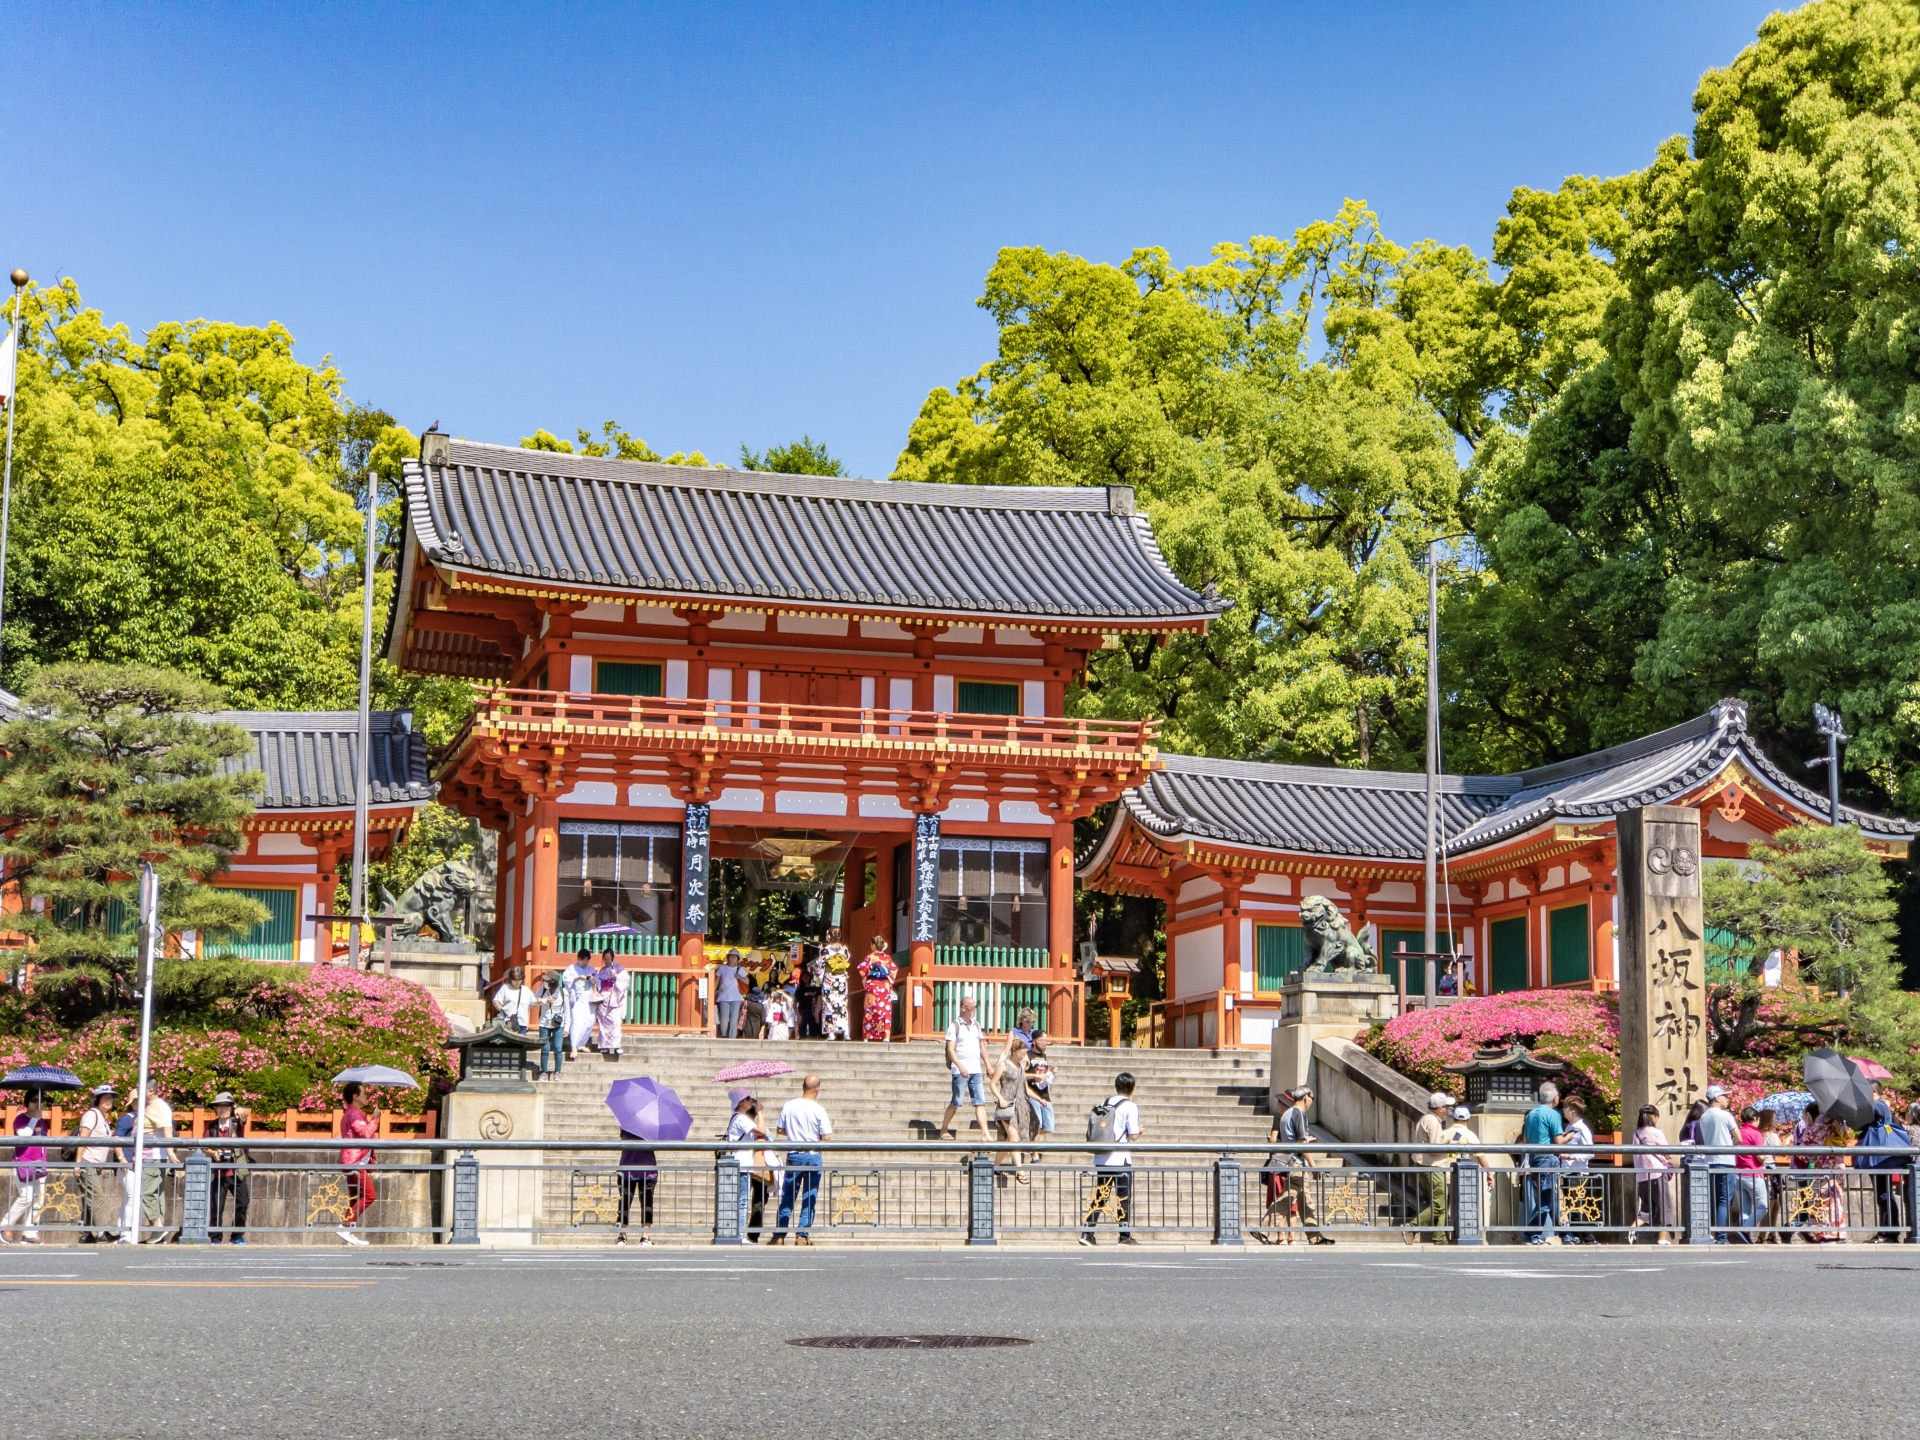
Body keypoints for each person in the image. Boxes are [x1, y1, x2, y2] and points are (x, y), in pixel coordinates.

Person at [1079, 1072, 1141, 1246]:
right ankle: (1124, 1235)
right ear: (1132, 1088)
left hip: (1102, 1158)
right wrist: (1139, 1131)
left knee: (1101, 1196)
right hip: (1121, 1158)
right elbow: (1134, 1135)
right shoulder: (1130, 1106)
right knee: (1123, 1197)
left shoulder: (1106, 1102)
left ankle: (1087, 1233)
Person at [770, 1074, 833, 1246]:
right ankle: (802, 1235)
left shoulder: (789, 1105)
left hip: (794, 1155)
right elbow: (826, 1137)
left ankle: (780, 1234)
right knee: (809, 1196)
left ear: (802, 1086)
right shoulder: (819, 1109)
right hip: (813, 1155)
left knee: (788, 1196)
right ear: (817, 1088)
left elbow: (780, 1130)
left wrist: (793, 1133)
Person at [1275, 1087, 1332, 1245]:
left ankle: (1315, 1237)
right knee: (1286, 1201)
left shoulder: (1287, 1114)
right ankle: (1262, 1227)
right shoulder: (1297, 1113)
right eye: (1312, 1098)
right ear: (1305, 1097)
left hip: (1292, 1162)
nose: (1312, 1102)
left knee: (1306, 1203)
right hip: (1297, 1163)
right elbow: (1301, 1143)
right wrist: (1313, 1165)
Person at [939, 995, 992, 1141]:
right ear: (964, 1008)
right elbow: (951, 1050)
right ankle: (944, 1128)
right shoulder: (955, 1026)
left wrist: (988, 1064)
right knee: (956, 1101)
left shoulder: (975, 1025)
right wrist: (960, 1066)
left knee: (980, 1101)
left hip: (976, 1069)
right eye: (973, 1007)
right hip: (960, 1070)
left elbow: (981, 1046)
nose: (975, 1009)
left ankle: (985, 1132)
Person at [1859, 1095, 1911, 1242]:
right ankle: (1888, 1231)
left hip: (1881, 1159)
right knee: (1883, 1195)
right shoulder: (1880, 1106)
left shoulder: (1880, 1105)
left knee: (1884, 1195)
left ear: (1873, 1091)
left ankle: (1889, 1232)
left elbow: (1872, 1108)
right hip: (1879, 1159)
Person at [1406, 1091, 1454, 1243]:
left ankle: (1439, 1236)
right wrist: (1448, 1142)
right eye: (1446, 1106)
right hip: (1432, 1166)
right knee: (1439, 1204)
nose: (1447, 1109)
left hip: (1426, 1165)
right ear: (1440, 1108)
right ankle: (1411, 1227)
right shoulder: (1433, 1122)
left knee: (1440, 1202)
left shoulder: (1427, 1119)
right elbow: (1434, 1149)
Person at [2, 1094, 51, 1244]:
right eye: (34, 1100)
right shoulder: (20, 1119)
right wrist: (35, 1118)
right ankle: (4, 1225)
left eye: (41, 1100)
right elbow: (24, 1135)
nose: (38, 1103)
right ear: (27, 1102)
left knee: (38, 1200)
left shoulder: (42, 1121)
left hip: (39, 1164)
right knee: (27, 1196)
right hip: (23, 1163)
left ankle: (30, 1233)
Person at [725, 1090, 772, 1242]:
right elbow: (761, 1130)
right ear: (740, 1102)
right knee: (742, 1200)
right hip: (741, 1163)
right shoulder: (740, 1118)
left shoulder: (739, 1118)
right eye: (747, 1099)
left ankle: (738, 1234)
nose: (750, 1101)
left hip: (741, 1163)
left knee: (741, 1199)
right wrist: (760, 1113)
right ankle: (739, 1235)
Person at [1520, 1082, 1564, 1245]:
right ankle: (1531, 1234)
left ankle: (1534, 1234)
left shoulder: (1531, 1114)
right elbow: (1559, 1141)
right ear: (1555, 1098)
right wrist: (1569, 1137)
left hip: (1534, 1159)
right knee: (1546, 1200)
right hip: (1548, 1158)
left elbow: (1525, 1140)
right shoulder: (1553, 1114)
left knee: (1543, 1198)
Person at [76, 1084, 120, 1244]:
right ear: (97, 1099)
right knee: (98, 1198)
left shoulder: (102, 1117)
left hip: (96, 1164)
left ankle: (86, 1234)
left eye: (111, 1098)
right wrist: (78, 1163)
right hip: (87, 1162)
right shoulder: (92, 1115)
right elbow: (82, 1139)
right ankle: (100, 1232)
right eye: (105, 1097)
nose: (109, 1101)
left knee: (90, 1199)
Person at [207, 1092, 253, 1245]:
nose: (223, 1109)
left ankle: (237, 1235)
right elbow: (203, 1145)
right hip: (219, 1170)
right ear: (215, 1108)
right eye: (219, 1106)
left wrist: (240, 1110)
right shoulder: (211, 1126)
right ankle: (215, 1237)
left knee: (243, 1201)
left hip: (237, 1170)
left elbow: (245, 1116)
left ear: (231, 1107)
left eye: (226, 1105)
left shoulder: (236, 1123)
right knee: (217, 1206)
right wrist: (213, 1153)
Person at [1696, 1085, 1740, 1243]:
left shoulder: (1704, 1116)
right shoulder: (1725, 1115)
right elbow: (1739, 1137)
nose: (1727, 1099)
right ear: (1716, 1098)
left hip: (1710, 1162)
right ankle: (1721, 1236)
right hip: (1725, 1161)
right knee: (1724, 1201)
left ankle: (1711, 1234)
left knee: (1713, 1200)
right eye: (1724, 1096)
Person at [338, 1082, 378, 1246]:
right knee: (369, 1196)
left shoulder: (354, 1113)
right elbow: (366, 1133)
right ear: (355, 1096)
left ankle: (348, 1230)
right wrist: (375, 1118)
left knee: (356, 1198)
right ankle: (345, 1227)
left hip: (353, 1161)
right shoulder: (354, 1114)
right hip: (354, 1162)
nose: (366, 1096)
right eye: (363, 1093)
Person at [132, 1090, 175, 1242]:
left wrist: (170, 1152)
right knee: (156, 1193)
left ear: (150, 1090)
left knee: (146, 1192)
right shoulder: (149, 1106)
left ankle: (157, 1227)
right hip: (148, 1158)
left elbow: (167, 1128)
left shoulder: (159, 1106)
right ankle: (158, 1230)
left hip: (152, 1158)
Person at [992, 1037, 1036, 1181]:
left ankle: (994, 1166)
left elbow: (1024, 1088)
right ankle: (1020, 1171)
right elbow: (992, 1084)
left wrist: (1039, 1099)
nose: (1024, 1056)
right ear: (1014, 1051)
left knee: (1009, 1140)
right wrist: (1001, 1098)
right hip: (1007, 1106)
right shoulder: (1003, 1065)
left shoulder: (1021, 1067)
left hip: (1020, 1105)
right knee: (1014, 1138)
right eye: (1022, 1053)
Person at [1630, 1105, 1675, 1244]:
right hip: (1657, 1173)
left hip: (1642, 1176)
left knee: (1646, 1209)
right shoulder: (1656, 1132)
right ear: (1654, 1117)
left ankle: (1631, 1229)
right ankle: (1662, 1239)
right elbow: (1667, 1154)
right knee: (1663, 1206)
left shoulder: (1636, 1133)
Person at [1557, 1095, 1596, 1244]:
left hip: (1577, 1172)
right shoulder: (1569, 1128)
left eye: (1565, 1108)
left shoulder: (1582, 1128)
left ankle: (1588, 1238)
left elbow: (1589, 1152)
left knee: (1575, 1206)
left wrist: (1570, 1156)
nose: (1563, 1111)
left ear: (1572, 1111)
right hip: (1568, 1171)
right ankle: (1578, 1237)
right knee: (1571, 1206)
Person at [1732, 1105, 1769, 1243]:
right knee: (1762, 1206)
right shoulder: (1756, 1133)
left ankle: (1744, 1237)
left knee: (1745, 1209)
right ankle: (1744, 1230)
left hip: (1737, 1174)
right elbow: (1760, 1156)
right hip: (1753, 1174)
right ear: (1754, 1119)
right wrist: (1767, 1156)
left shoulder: (1739, 1132)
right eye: (1758, 1119)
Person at [616, 1129, 656, 1246]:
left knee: (626, 1202)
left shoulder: (627, 1124)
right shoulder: (651, 1126)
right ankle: (644, 1235)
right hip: (643, 1168)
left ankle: (623, 1235)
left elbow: (622, 1138)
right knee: (642, 1202)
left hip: (633, 1167)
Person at [859, 935, 898, 1043]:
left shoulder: (869, 957)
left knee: (870, 1011)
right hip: (884, 986)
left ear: (873, 945)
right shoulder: (887, 958)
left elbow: (862, 969)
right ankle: (885, 1035)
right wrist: (889, 983)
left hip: (872, 985)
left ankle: (867, 1036)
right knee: (884, 1011)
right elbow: (894, 970)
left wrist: (866, 980)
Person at [592, 952, 629, 1060]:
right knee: (603, 1022)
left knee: (615, 1022)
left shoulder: (619, 968)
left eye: (609, 959)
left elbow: (625, 981)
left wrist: (616, 977)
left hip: (614, 997)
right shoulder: (602, 970)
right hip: (603, 997)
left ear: (612, 958)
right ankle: (604, 1046)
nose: (607, 961)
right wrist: (594, 981)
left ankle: (616, 1045)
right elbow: (598, 982)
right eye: (605, 959)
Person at [562, 949, 598, 1057]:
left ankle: (581, 1044)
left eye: (587, 960)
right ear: (579, 959)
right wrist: (577, 978)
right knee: (577, 1022)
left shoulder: (591, 969)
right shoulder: (571, 969)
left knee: (590, 1022)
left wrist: (593, 981)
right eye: (583, 960)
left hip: (589, 999)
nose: (585, 963)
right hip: (577, 999)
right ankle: (574, 1047)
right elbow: (566, 981)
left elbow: (597, 983)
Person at [818, 929, 851, 1041]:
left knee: (829, 1005)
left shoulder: (825, 951)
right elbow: (847, 961)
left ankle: (831, 1033)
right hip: (841, 980)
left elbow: (820, 965)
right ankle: (846, 1032)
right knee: (842, 1005)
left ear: (829, 936)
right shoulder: (845, 950)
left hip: (829, 980)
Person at [534, 970, 568, 1079]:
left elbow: (567, 1011)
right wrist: (544, 1001)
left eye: (547, 980)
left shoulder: (563, 992)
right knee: (545, 1048)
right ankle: (543, 1071)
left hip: (558, 1024)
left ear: (553, 982)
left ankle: (557, 1071)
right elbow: (533, 1002)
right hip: (544, 1023)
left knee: (558, 1048)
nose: (545, 982)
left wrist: (567, 1027)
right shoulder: (542, 989)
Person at [1026, 1038, 1057, 1142]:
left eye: (1046, 1040)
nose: (1045, 1043)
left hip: (1044, 1094)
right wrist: (1034, 1075)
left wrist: (1051, 1073)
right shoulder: (1027, 1055)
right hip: (1032, 1094)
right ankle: (1034, 1153)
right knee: (1037, 1125)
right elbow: (1021, 1074)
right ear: (1034, 1041)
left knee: (1048, 1127)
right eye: (1042, 1040)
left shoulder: (1044, 1056)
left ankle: (1028, 1137)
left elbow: (1044, 1074)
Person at [714, 949, 748, 1039]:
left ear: (737, 959)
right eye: (731, 956)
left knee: (734, 1019)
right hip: (723, 997)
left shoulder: (739, 969)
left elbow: (747, 981)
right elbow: (716, 981)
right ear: (728, 957)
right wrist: (712, 992)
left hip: (736, 997)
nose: (732, 958)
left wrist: (739, 977)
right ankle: (724, 1036)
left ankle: (732, 1038)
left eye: (734, 956)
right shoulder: (722, 968)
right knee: (724, 1019)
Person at [491, 965, 535, 1034]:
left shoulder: (526, 990)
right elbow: (496, 1000)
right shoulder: (505, 988)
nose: (517, 981)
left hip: (522, 1023)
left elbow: (533, 1003)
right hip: (507, 1022)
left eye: (519, 979)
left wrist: (543, 1001)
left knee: (521, 1043)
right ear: (511, 979)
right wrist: (501, 1009)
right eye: (514, 979)